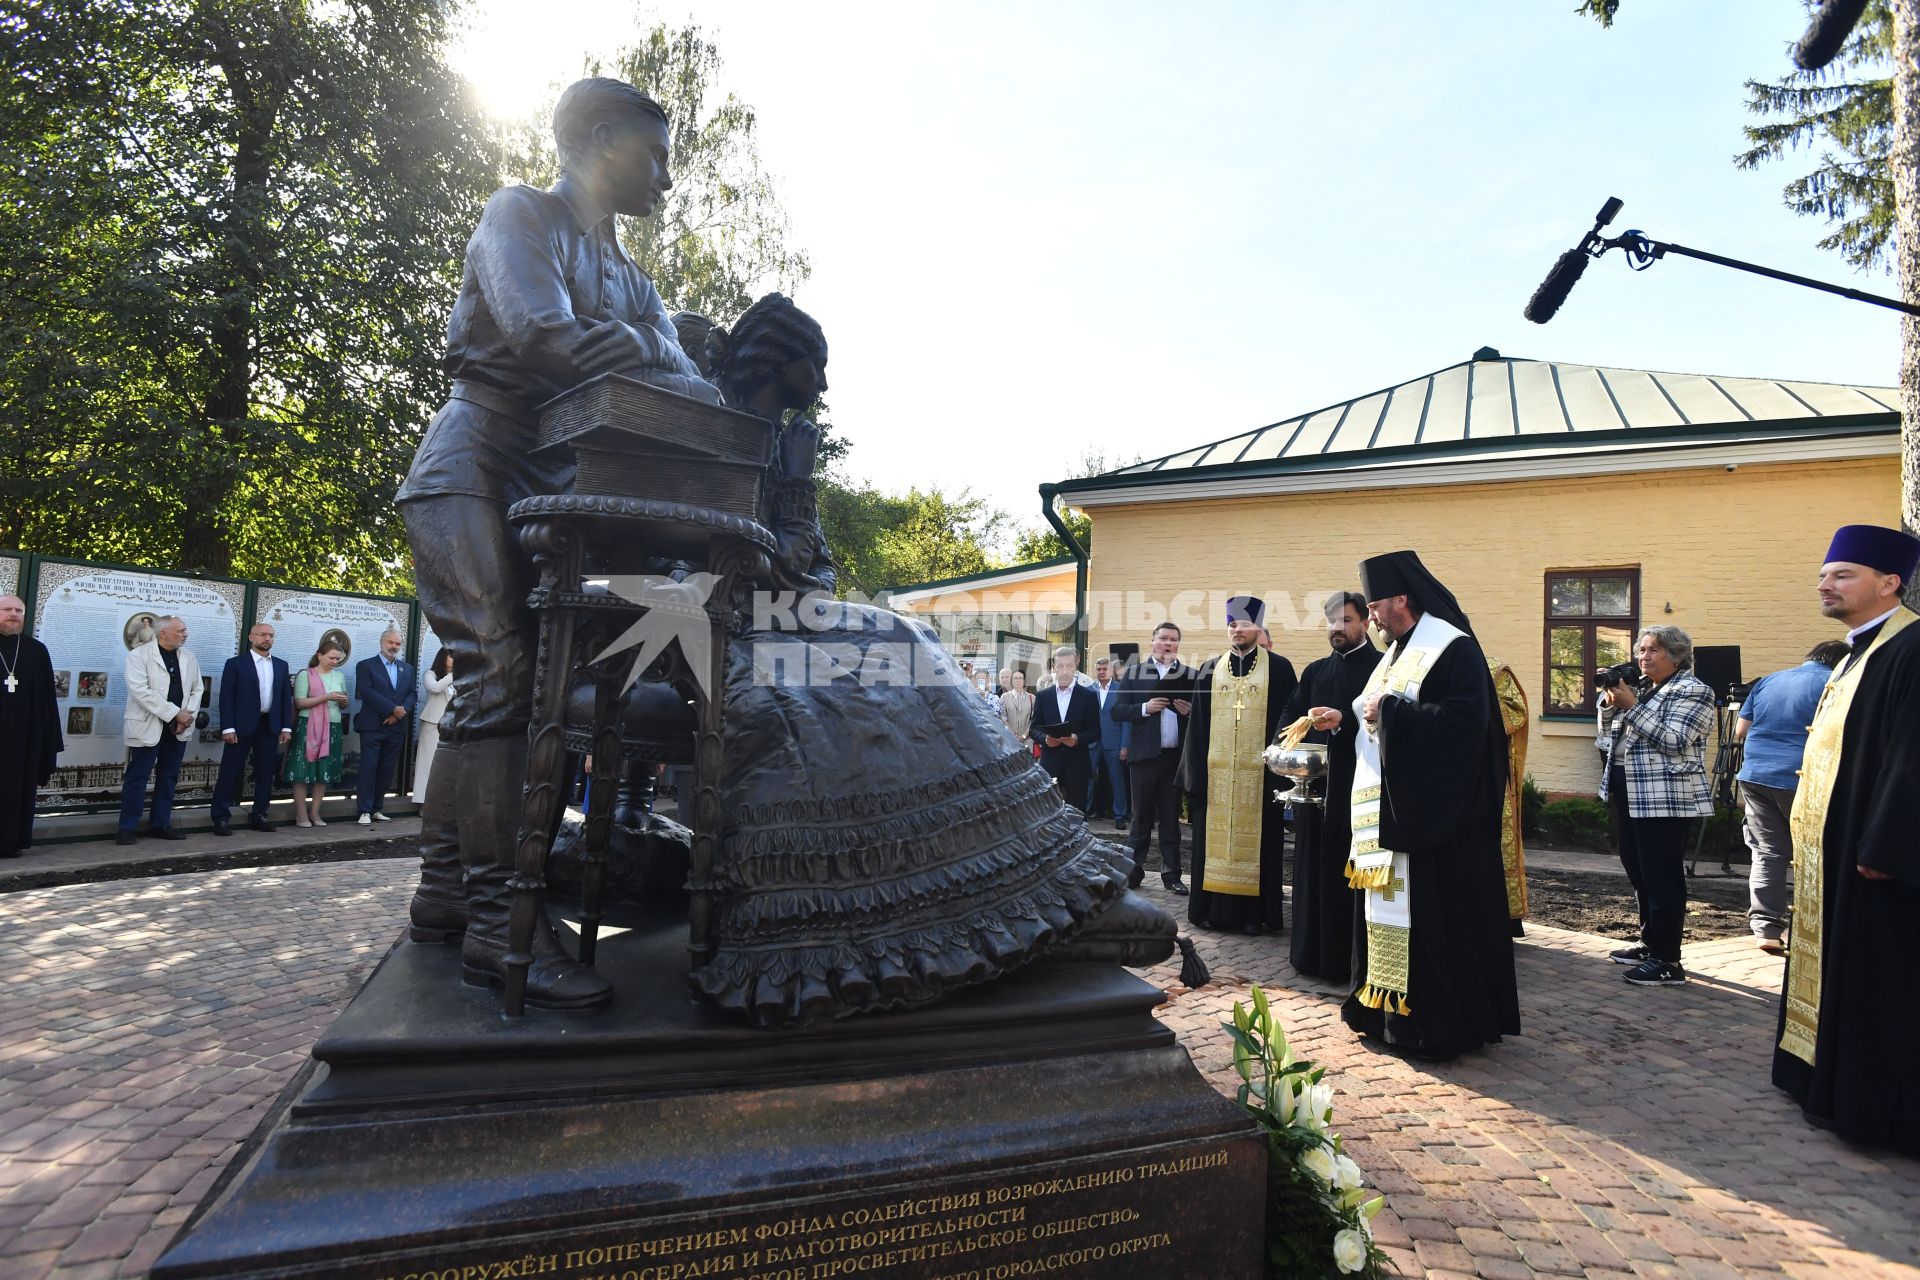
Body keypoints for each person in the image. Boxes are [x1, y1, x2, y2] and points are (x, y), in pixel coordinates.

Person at [688, 293, 1134, 1025]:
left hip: (781, 616)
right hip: (719, 619)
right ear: (782, 360)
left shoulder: (784, 440)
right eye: (816, 368)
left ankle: (993, 862)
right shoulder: (717, 431)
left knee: (907, 639)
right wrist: (794, 496)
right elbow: (738, 558)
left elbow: (811, 571)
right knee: (851, 675)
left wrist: (791, 538)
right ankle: (840, 908)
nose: (823, 387)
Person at [396, 77, 716, 1006]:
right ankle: (503, 935)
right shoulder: (519, 214)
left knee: (490, 693)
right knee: (498, 685)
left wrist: (630, 344)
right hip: (473, 463)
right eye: (654, 154)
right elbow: (543, 335)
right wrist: (636, 346)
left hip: (554, 484)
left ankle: (445, 899)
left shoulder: (631, 274)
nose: (665, 176)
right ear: (603, 138)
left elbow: (687, 384)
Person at [1773, 523, 1920, 1157]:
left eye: (1842, 575)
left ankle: (1870, 1107)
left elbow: (1912, 757)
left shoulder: (1911, 649)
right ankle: (1818, 1079)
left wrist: (1888, 845)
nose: (1824, 584)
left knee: (1878, 977)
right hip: (1833, 847)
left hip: (1875, 854)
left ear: (1889, 583)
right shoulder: (1860, 649)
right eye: (1824, 575)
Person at [1336, 551, 1519, 1060]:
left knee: (1433, 921)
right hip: (1390, 812)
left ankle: (1435, 1025)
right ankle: (1384, 1012)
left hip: (1435, 822)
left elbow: (1465, 724)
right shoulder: (1395, 653)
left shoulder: (1451, 648)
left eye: (1375, 606)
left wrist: (1391, 711)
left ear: (1402, 600)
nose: (1371, 617)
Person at [1597, 625, 1715, 987]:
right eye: (1642, 650)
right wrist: (1610, 705)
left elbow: (1675, 740)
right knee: (1638, 870)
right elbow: (1607, 734)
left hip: (1665, 796)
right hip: (1628, 788)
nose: (1643, 657)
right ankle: (1650, 943)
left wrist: (1632, 707)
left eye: (1653, 651)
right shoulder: (1644, 689)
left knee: (1662, 876)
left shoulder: (1694, 691)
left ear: (1677, 656)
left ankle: (1668, 960)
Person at [1182, 597, 1297, 934]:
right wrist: (1194, 779)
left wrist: (1281, 773)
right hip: (1216, 779)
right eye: (1232, 625)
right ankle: (1209, 912)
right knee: (1211, 846)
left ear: (1258, 629)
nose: (1237, 630)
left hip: (1260, 780)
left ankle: (1255, 916)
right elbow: (1197, 728)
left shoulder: (1280, 668)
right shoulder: (1209, 669)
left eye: (1244, 625)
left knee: (1260, 847)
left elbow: (1286, 722)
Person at [1282, 592, 1380, 980]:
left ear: (1365, 623)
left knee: (1344, 875)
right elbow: (1291, 712)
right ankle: (1309, 954)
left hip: (1357, 792)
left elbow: (1382, 725)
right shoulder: (1315, 671)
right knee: (1310, 870)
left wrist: (1342, 723)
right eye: (1332, 622)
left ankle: (1344, 960)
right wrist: (1286, 743)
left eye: (1346, 620)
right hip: (1314, 790)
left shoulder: (1379, 668)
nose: (1337, 629)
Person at [1735, 639, 1848, 954]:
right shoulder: (1835, 683)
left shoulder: (1770, 679)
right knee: (1815, 852)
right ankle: (1813, 931)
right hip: (1804, 777)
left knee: (1769, 853)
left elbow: (1740, 731)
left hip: (1756, 775)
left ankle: (1766, 929)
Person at [1108, 622, 1197, 892]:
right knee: (1141, 819)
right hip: (1144, 758)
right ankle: (1133, 873)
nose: (1168, 644)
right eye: (1163, 639)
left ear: (1178, 644)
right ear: (1152, 641)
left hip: (1174, 759)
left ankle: (1172, 876)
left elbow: (1203, 717)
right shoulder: (1135, 673)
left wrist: (1190, 711)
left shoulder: (1189, 675)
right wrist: (1145, 708)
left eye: (1173, 640)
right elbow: (1118, 710)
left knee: (1171, 820)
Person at [116, 616, 202, 845]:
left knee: (169, 775)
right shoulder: (138, 656)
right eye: (181, 630)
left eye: (185, 630)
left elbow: (197, 689)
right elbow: (140, 691)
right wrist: (175, 713)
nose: (185, 634)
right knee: (138, 776)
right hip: (148, 723)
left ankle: (161, 823)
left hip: (178, 726)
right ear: (163, 633)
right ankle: (127, 827)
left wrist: (186, 715)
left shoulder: (189, 657)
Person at [210, 622, 294, 836]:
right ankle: (220, 817)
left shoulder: (281, 665)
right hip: (240, 726)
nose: (267, 638)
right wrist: (227, 728)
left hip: (269, 725)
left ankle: (259, 814)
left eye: (271, 635)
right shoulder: (236, 664)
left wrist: (286, 726)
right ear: (251, 637)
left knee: (266, 772)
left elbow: (285, 698)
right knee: (230, 771)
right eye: (263, 634)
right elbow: (226, 698)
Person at [0, 594, 62, 858]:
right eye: (7, 609)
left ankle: (12, 842)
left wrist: (48, 738)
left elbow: (48, 699)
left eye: (19, 610)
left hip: (24, 738)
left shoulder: (36, 650)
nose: (14, 614)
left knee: (18, 790)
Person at [1487, 658, 1531, 936]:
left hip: (1487, 774)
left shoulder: (1494, 670)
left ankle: (1501, 916)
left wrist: (1473, 707)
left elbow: (1516, 713)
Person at [354, 629, 416, 825]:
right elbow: (367, 691)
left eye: (397, 644)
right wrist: (391, 709)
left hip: (396, 727)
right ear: (382, 642)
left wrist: (400, 712)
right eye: (390, 642)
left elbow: (412, 694)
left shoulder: (407, 668)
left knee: (387, 768)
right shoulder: (366, 665)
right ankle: (364, 810)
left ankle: (377, 808)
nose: (394, 647)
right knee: (369, 766)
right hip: (373, 725)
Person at [1030, 646, 1102, 806]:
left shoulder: (1088, 696)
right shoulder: (1043, 696)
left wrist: (1077, 739)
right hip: (1050, 764)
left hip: (1077, 765)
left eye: (1069, 666)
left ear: (1076, 667)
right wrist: (1045, 739)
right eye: (1060, 666)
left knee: (1077, 813)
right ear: (1053, 668)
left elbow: (1096, 731)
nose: (1064, 671)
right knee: (1047, 812)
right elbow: (1033, 728)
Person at [287, 642, 349, 827]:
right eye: (331, 657)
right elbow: (299, 702)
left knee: (324, 770)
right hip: (309, 726)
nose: (335, 662)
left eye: (338, 658)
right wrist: (326, 697)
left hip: (333, 726)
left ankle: (315, 813)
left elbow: (343, 704)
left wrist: (343, 701)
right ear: (319, 655)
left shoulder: (339, 675)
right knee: (302, 770)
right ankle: (301, 814)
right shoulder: (306, 674)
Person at [1084, 656, 1129, 828]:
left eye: (1105, 669)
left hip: (1114, 742)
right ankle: (1083, 813)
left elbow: (1126, 720)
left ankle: (1120, 816)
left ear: (1111, 671)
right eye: (1099, 669)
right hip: (1092, 742)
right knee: (1087, 778)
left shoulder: (1121, 690)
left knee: (1117, 780)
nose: (1101, 672)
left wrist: (1125, 745)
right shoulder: (1088, 690)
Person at [411, 647, 455, 804]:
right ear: (443, 657)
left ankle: (442, 802)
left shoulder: (458, 678)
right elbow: (434, 688)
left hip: (452, 725)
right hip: (432, 724)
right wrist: (452, 675)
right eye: (451, 656)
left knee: (447, 765)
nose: (454, 659)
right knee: (427, 763)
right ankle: (424, 802)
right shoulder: (431, 674)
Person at [999, 667, 1034, 743]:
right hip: (1009, 740)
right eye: (1015, 678)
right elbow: (1003, 718)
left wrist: (1024, 736)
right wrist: (1012, 735)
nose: (1018, 680)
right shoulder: (1004, 697)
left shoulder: (1032, 698)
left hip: (1027, 740)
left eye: (1020, 678)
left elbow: (1034, 720)